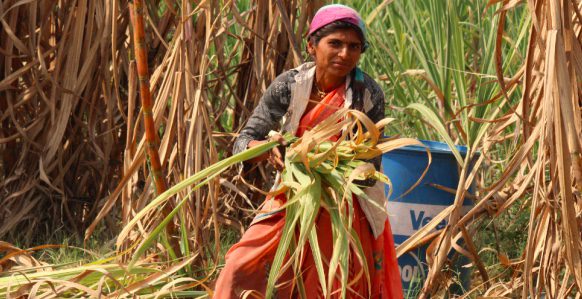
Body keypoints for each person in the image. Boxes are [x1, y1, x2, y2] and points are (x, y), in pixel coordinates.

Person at [214, 4, 403, 298]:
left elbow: (371, 169)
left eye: (354, 46)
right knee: (239, 265)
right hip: (291, 193)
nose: (344, 54)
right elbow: (244, 140)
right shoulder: (289, 86)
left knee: (331, 282)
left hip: (344, 204)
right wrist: (268, 149)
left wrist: (329, 163)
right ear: (312, 46)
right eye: (335, 43)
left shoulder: (367, 94)